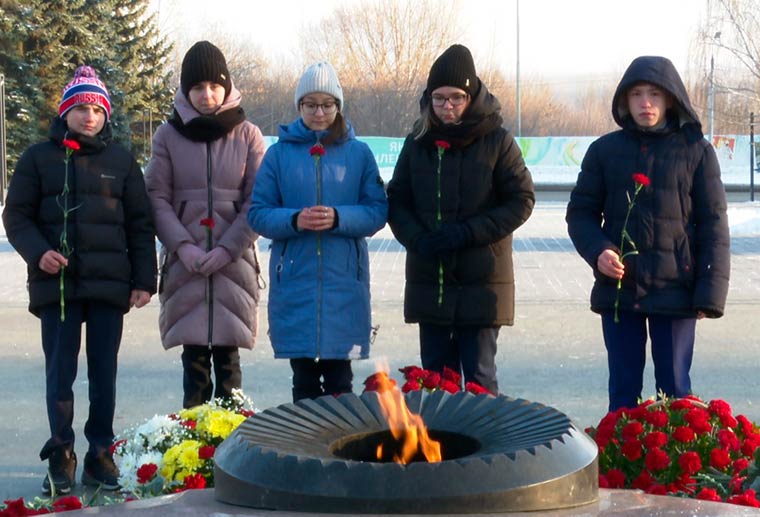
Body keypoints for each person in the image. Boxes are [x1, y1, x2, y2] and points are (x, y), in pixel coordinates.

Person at [2, 65, 157, 494]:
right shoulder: (38, 158)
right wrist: (39, 253)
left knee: (104, 374)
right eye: (81, 107)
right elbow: (16, 216)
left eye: (97, 108)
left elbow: (140, 224)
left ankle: (100, 453)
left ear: (106, 114)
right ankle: (61, 452)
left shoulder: (122, 161)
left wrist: (144, 279)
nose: (89, 116)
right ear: (66, 110)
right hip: (60, 290)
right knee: (60, 376)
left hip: (110, 287)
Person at [566, 55, 730, 412]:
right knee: (622, 395)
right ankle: (619, 468)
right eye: (636, 94)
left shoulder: (696, 152)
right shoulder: (604, 151)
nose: (645, 103)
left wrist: (708, 294)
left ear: (670, 98)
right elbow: (580, 214)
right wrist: (599, 251)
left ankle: (672, 469)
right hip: (620, 293)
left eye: (654, 94)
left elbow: (714, 225)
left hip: (677, 293)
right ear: (624, 101)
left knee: (675, 396)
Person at [386, 44, 535, 395]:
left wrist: (467, 233)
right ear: (429, 99)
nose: (447, 107)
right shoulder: (418, 142)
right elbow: (397, 201)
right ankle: (440, 450)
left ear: (471, 95)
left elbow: (522, 200)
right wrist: (417, 239)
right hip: (431, 281)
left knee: (480, 382)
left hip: (482, 284)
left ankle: (488, 450)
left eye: (455, 98)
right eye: (439, 99)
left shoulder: (497, 141)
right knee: (436, 383)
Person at [248, 61, 387, 402]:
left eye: (327, 104)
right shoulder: (278, 155)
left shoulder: (359, 153)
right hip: (296, 280)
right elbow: (258, 213)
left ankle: (340, 452)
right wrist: (294, 220)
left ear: (339, 107)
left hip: (344, 283)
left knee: (341, 380)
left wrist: (339, 217)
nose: (319, 112)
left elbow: (377, 210)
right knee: (305, 383)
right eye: (310, 105)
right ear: (299, 107)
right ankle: (306, 451)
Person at [144, 41, 266, 409]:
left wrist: (229, 247)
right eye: (197, 87)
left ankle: (229, 453)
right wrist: (184, 246)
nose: (207, 95)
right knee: (194, 367)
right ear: (185, 90)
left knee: (229, 368)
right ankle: (192, 455)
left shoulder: (248, 135)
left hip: (235, 262)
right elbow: (156, 198)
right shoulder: (167, 136)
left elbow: (258, 200)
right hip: (187, 263)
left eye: (214, 86)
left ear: (226, 87)